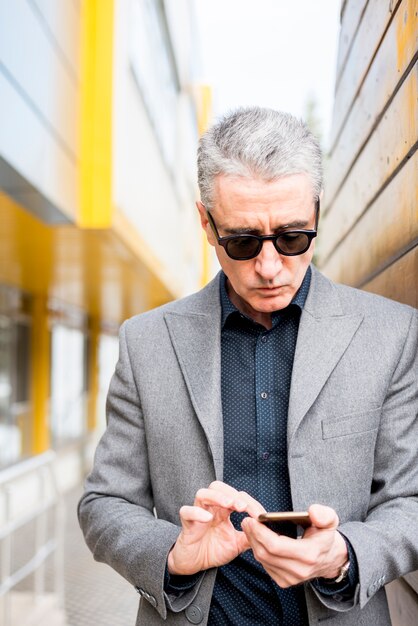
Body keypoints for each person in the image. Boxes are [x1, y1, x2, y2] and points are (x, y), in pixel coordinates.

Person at [78, 107, 418, 626]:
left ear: (317, 212)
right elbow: (104, 503)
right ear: (206, 224)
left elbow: (410, 500)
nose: (268, 267)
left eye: (292, 237)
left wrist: (344, 554)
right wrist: (173, 556)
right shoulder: (146, 342)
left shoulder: (392, 335)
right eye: (241, 241)